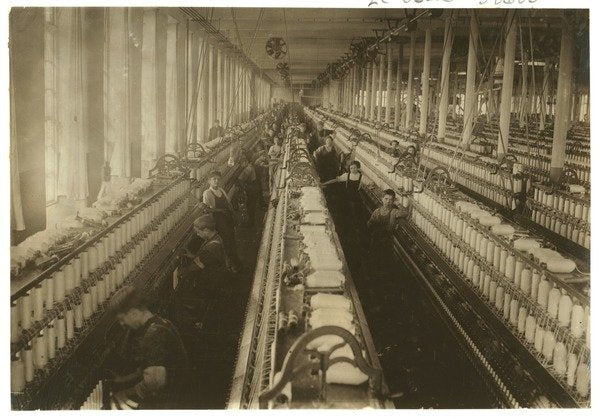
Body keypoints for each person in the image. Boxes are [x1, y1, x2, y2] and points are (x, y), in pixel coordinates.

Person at [108, 291, 191, 409]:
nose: (121, 324)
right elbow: (151, 364)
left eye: (121, 319)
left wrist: (123, 394)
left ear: (134, 313)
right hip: (179, 391)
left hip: (171, 401)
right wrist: (125, 379)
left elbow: (155, 382)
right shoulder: (161, 323)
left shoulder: (152, 335)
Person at [202, 171, 243, 273]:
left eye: (218, 179)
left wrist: (234, 216)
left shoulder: (221, 190)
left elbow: (229, 204)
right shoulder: (207, 193)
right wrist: (219, 211)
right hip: (219, 221)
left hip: (228, 219)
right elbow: (206, 209)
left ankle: (237, 265)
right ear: (209, 181)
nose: (216, 181)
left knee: (232, 242)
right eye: (214, 179)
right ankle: (231, 266)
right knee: (226, 243)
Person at [176, 213, 227, 292]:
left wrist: (180, 272)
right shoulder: (216, 237)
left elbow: (195, 267)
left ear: (206, 230)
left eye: (198, 232)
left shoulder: (211, 247)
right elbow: (207, 259)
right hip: (216, 274)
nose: (197, 234)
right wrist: (192, 256)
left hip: (211, 281)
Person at [367, 189, 408, 265]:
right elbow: (369, 224)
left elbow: (405, 213)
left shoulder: (394, 212)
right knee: (375, 261)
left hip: (387, 242)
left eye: (390, 200)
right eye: (386, 199)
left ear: (393, 201)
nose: (388, 201)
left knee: (386, 262)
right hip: (376, 241)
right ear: (382, 199)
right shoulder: (376, 212)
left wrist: (398, 204)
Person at [237, 154, 260, 227]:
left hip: (251, 189)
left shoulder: (247, 169)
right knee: (252, 205)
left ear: (244, 162)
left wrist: (239, 185)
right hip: (253, 188)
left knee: (250, 206)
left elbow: (241, 179)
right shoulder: (250, 167)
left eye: (241, 164)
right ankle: (252, 221)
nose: (241, 166)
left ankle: (251, 223)